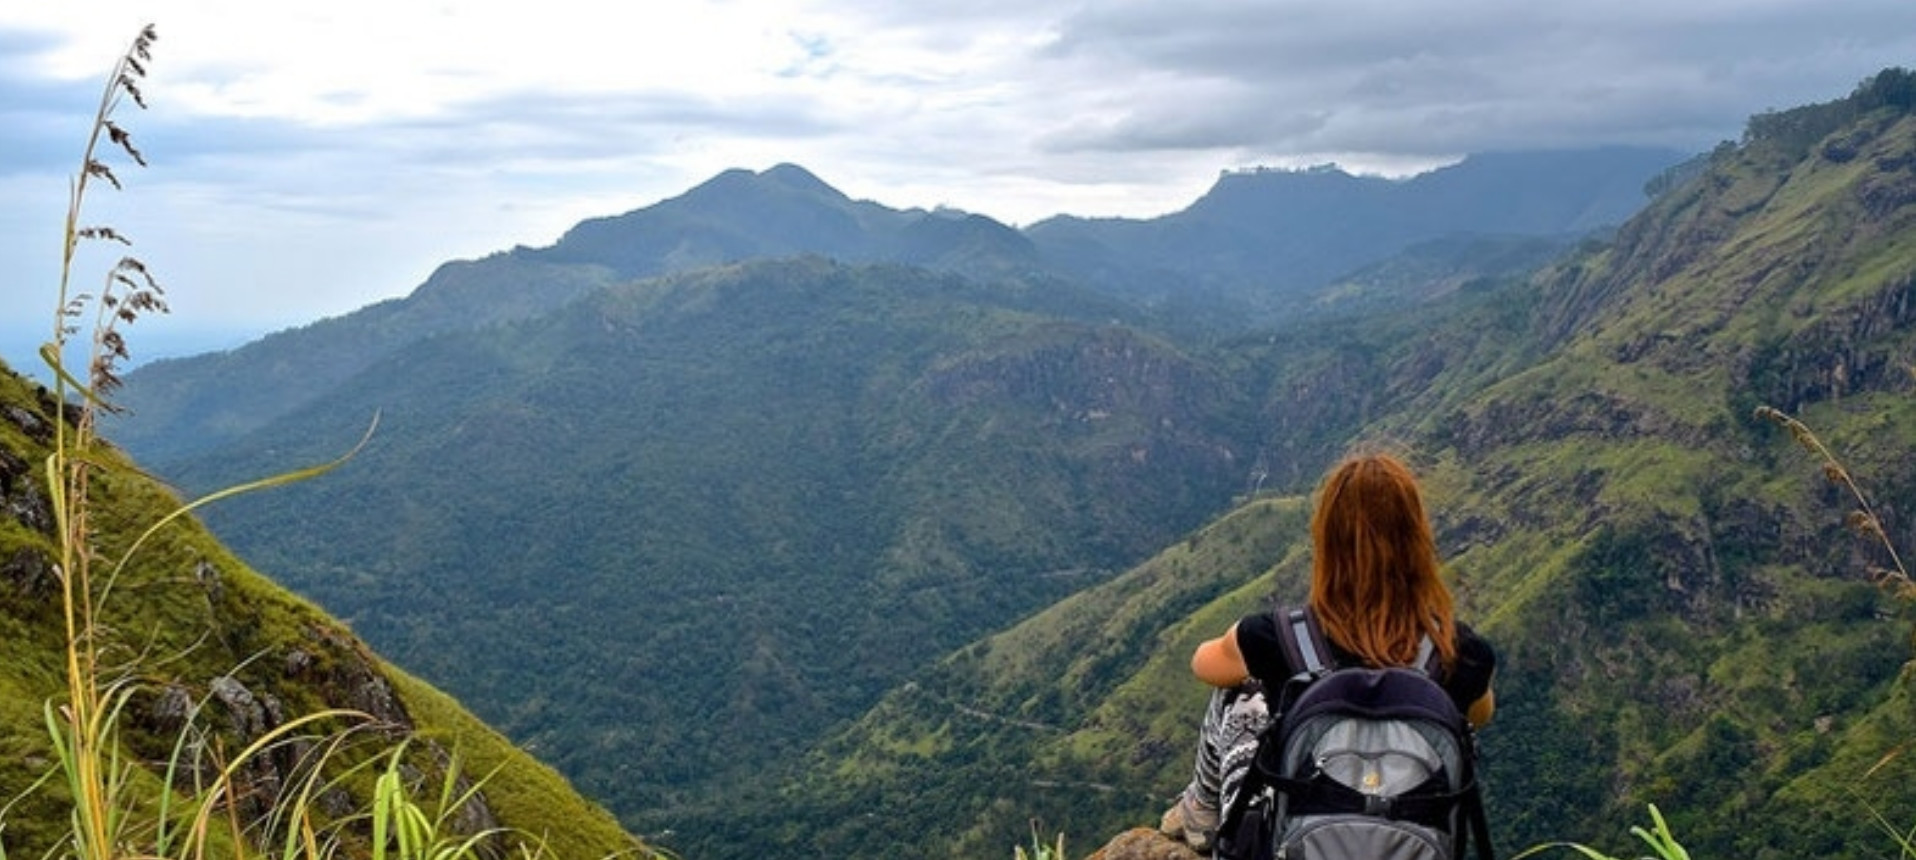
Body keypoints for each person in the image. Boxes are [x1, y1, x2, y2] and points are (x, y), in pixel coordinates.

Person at [1160, 451, 1498, 853]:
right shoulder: (1460, 652)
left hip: (1300, 842)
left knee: (1239, 692)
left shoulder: (1279, 637)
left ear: (1327, 541)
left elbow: (1202, 663)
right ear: (1417, 542)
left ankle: (1200, 810)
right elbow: (1479, 715)